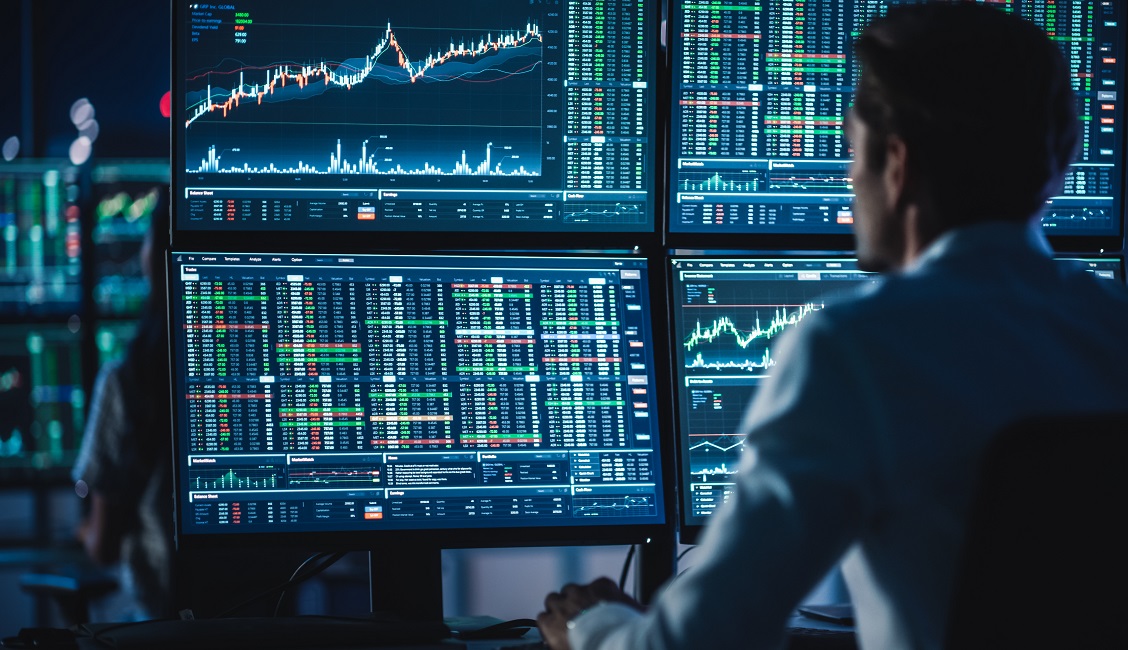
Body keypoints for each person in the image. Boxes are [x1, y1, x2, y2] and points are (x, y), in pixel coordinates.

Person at [538, 3, 1128, 649]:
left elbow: (704, 642)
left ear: (897, 164)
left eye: (852, 154)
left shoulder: (856, 347)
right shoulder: (1112, 324)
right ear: (1064, 152)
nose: (851, 184)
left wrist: (591, 627)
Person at [73, 187, 175, 620]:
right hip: (267, 626)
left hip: (164, 624)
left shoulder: (127, 380)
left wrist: (81, 532)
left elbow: (104, 546)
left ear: (155, 256)